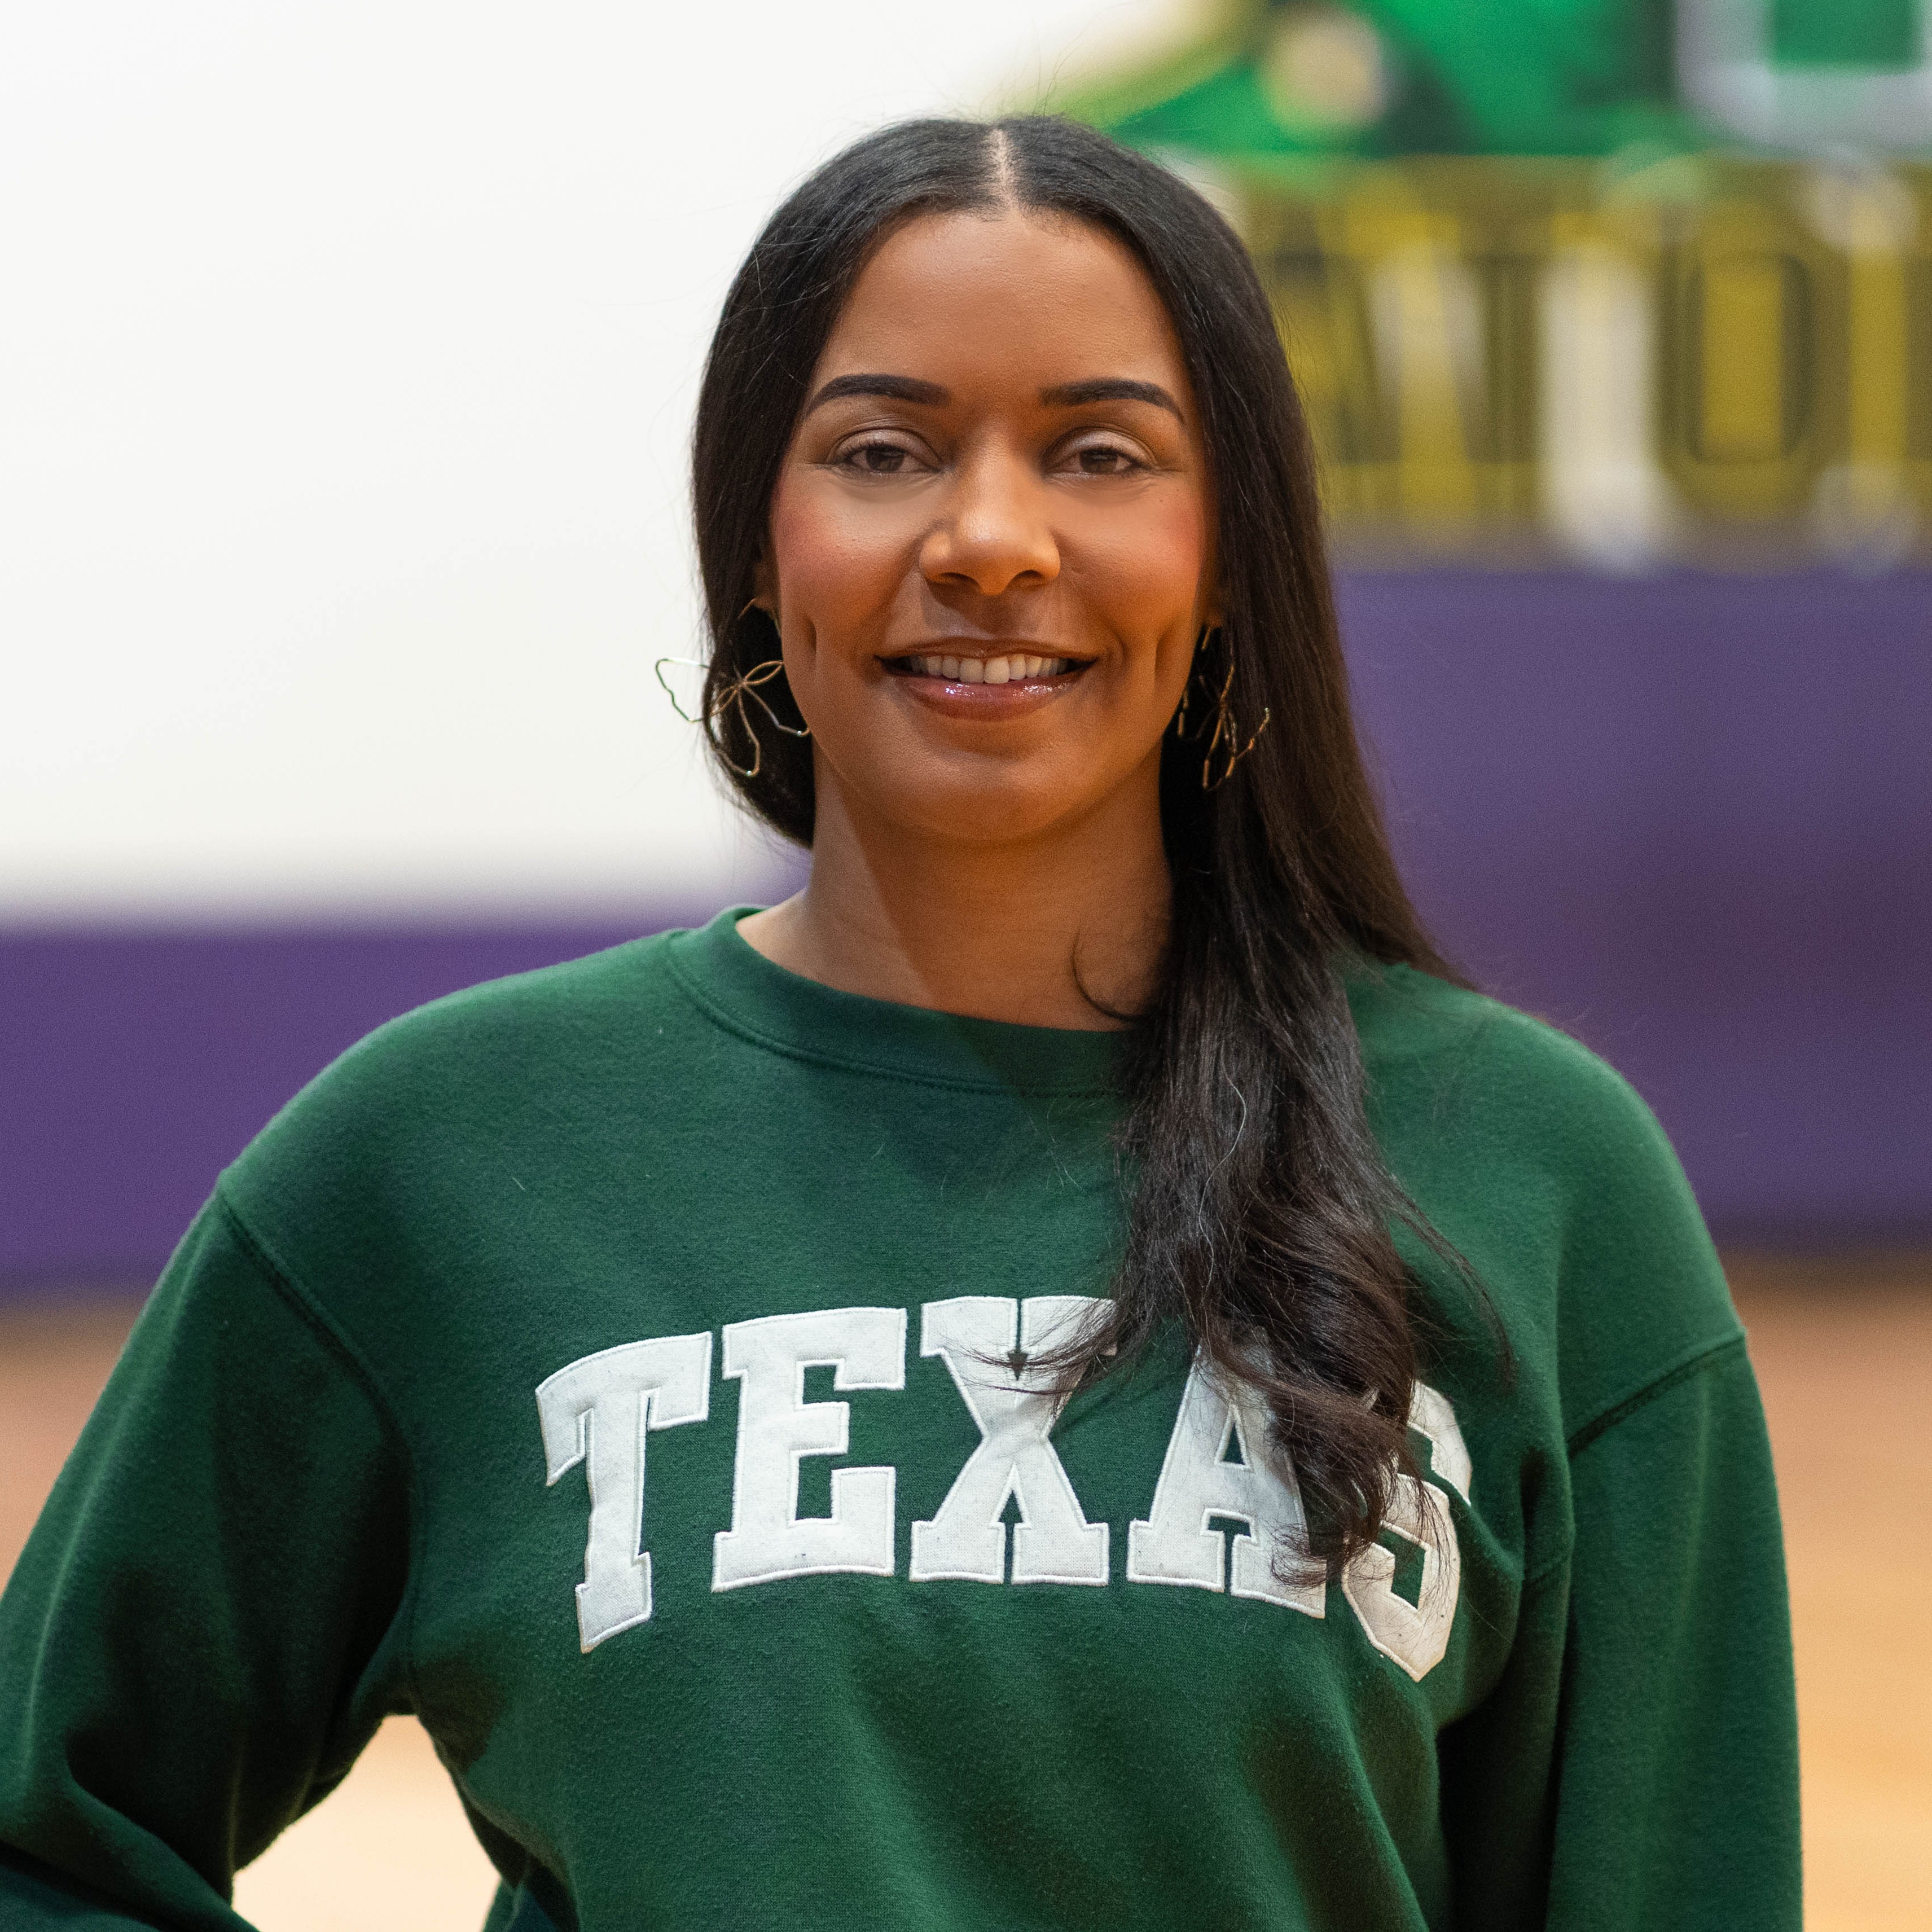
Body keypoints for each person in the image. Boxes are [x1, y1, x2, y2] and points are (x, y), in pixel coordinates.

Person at [0, 116, 1798, 1930]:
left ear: (1228, 548)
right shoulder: (442, 1163)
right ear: (762, 544)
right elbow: (43, 1836)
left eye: (1100, 453)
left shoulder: (1537, 1178)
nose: (992, 538)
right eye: (884, 451)